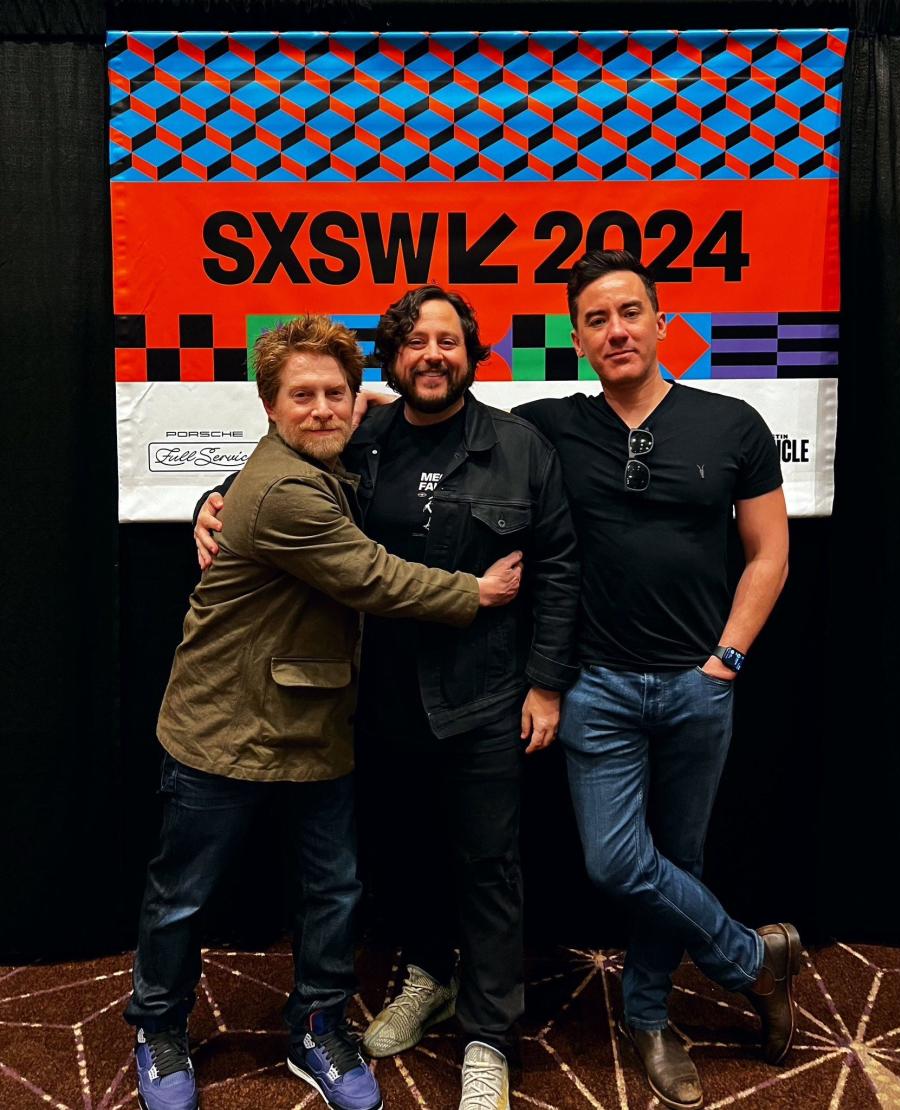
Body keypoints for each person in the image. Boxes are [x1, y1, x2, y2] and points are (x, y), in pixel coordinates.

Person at [194, 288, 579, 1110]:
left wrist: (546, 685)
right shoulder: (361, 434)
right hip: (374, 696)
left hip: (484, 698)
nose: (432, 354)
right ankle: (427, 978)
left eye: (448, 340)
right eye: (415, 342)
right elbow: (276, 469)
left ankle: (487, 1037)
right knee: (402, 856)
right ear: (395, 360)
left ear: (471, 353)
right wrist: (211, 499)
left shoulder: (521, 447)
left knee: (489, 867)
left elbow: (559, 571)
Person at [511, 249, 797, 1110]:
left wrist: (726, 662)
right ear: (577, 338)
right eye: (596, 319)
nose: (617, 330)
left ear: (663, 321)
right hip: (595, 686)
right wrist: (224, 491)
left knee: (679, 858)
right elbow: (436, 428)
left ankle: (647, 1017)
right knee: (617, 862)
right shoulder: (550, 425)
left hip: (697, 687)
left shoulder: (733, 422)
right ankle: (754, 959)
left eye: (630, 312)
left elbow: (769, 554)